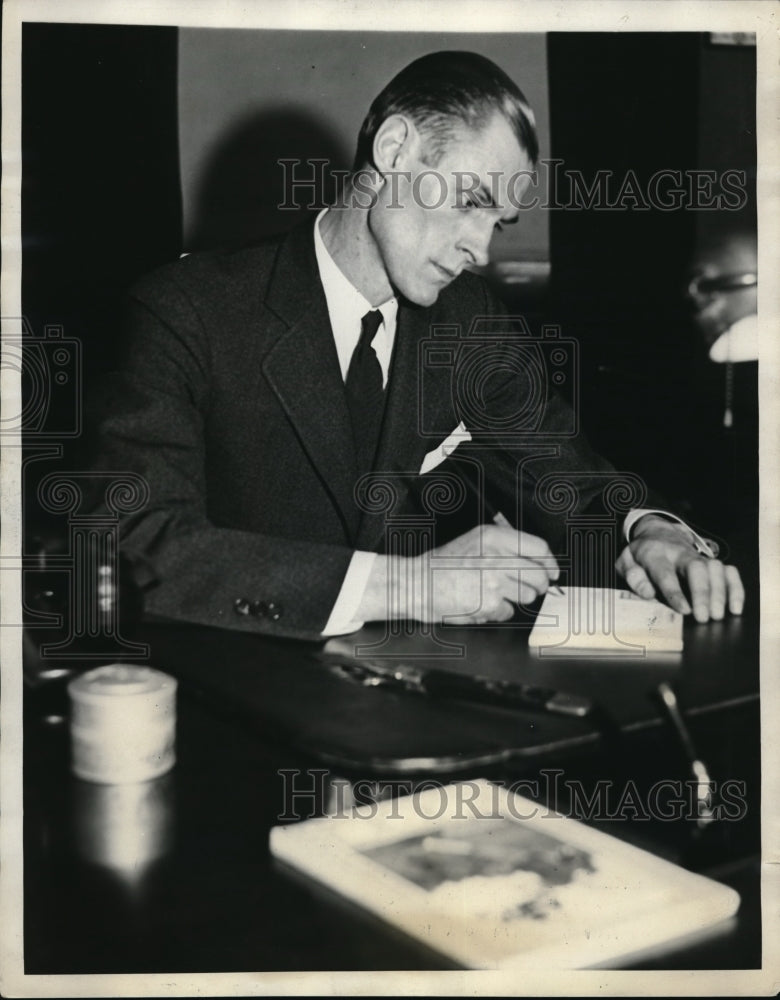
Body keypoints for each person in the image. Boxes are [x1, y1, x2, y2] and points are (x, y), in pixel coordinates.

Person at [90, 51, 744, 640]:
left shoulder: (469, 320)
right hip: (235, 716)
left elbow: (568, 475)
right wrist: (411, 585)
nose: (481, 248)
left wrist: (653, 534)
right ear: (396, 148)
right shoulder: (187, 310)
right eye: (470, 201)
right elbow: (138, 543)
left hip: (404, 714)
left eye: (498, 221)